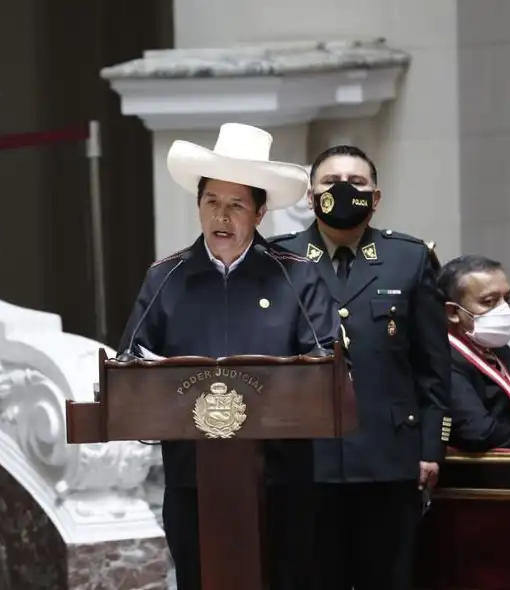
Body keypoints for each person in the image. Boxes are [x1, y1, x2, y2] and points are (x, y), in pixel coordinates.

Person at [117, 123, 340, 590]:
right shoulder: (166, 277)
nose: (222, 216)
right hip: (193, 480)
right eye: (211, 202)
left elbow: (324, 369)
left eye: (236, 204)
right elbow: (129, 363)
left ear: (259, 213)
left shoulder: (297, 279)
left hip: (281, 480)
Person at [267, 144, 451, 590]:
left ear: (376, 196)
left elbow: (432, 366)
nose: (344, 191)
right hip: (304, 461)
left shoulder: (409, 259)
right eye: (331, 182)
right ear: (310, 197)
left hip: (389, 456)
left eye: (357, 183)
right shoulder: (277, 260)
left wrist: (431, 447)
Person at [436, 255, 510, 453]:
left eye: (507, 299)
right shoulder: (441, 357)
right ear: (452, 312)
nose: (504, 309)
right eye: (489, 301)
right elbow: (477, 431)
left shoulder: (497, 350)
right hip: (496, 474)